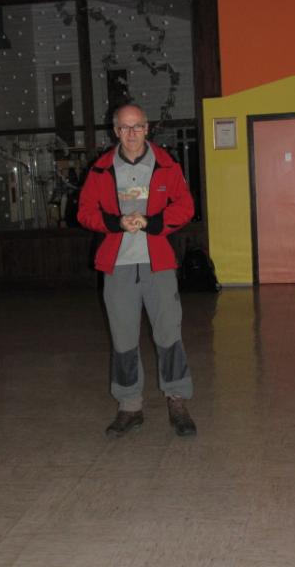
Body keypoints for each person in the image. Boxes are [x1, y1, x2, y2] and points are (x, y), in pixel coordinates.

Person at [78, 103, 197, 438]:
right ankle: (129, 405)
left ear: (147, 128)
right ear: (116, 131)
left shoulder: (167, 164)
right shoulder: (100, 169)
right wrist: (115, 222)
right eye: (125, 127)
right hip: (117, 265)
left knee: (169, 334)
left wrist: (153, 222)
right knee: (123, 338)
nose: (132, 134)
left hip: (158, 263)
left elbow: (185, 206)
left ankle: (177, 399)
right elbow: (84, 212)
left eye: (138, 126)